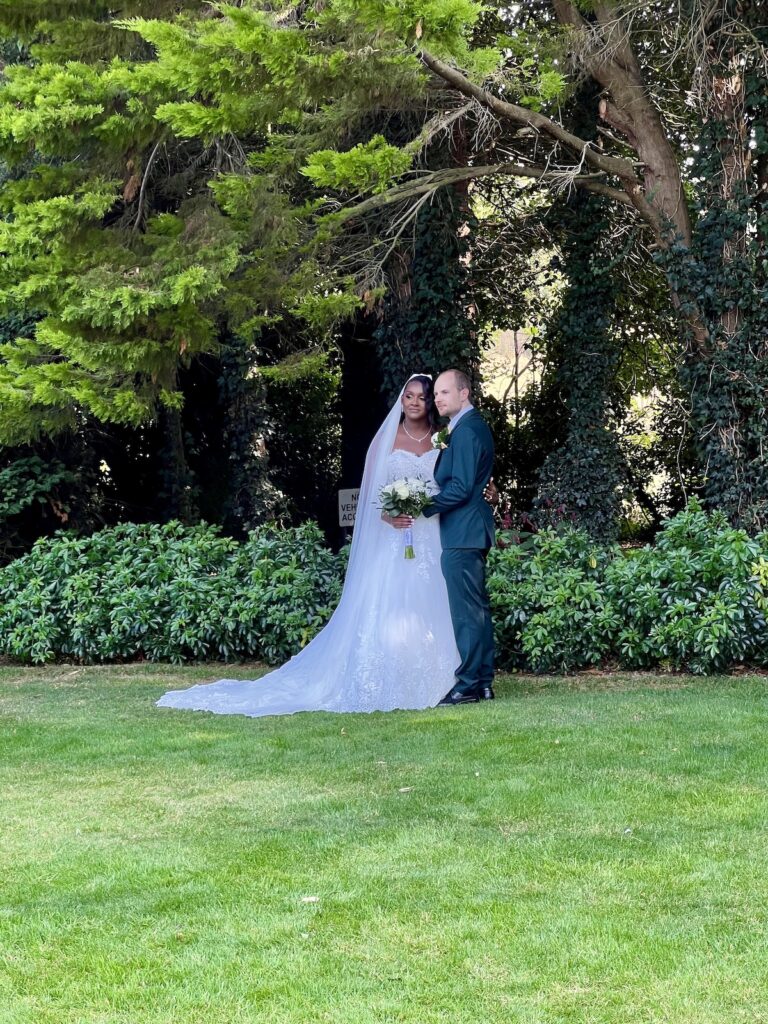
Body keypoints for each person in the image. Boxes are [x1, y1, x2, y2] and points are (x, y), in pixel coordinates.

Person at [156, 374, 460, 716]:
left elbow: (449, 481)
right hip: (395, 536)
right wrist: (391, 516)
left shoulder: (441, 439)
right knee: (387, 602)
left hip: (430, 531)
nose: (415, 402)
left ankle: (443, 675)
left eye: (422, 397)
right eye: (409, 396)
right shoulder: (386, 439)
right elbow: (372, 496)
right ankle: (387, 675)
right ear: (401, 400)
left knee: (432, 596)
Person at [424, 369, 496, 705]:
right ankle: (481, 682)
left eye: (444, 392)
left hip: (463, 531)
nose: (437, 398)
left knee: (467, 613)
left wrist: (423, 505)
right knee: (476, 610)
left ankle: (468, 684)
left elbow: (462, 487)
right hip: (467, 530)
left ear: (464, 393)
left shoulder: (467, 431)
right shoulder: (464, 428)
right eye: (435, 394)